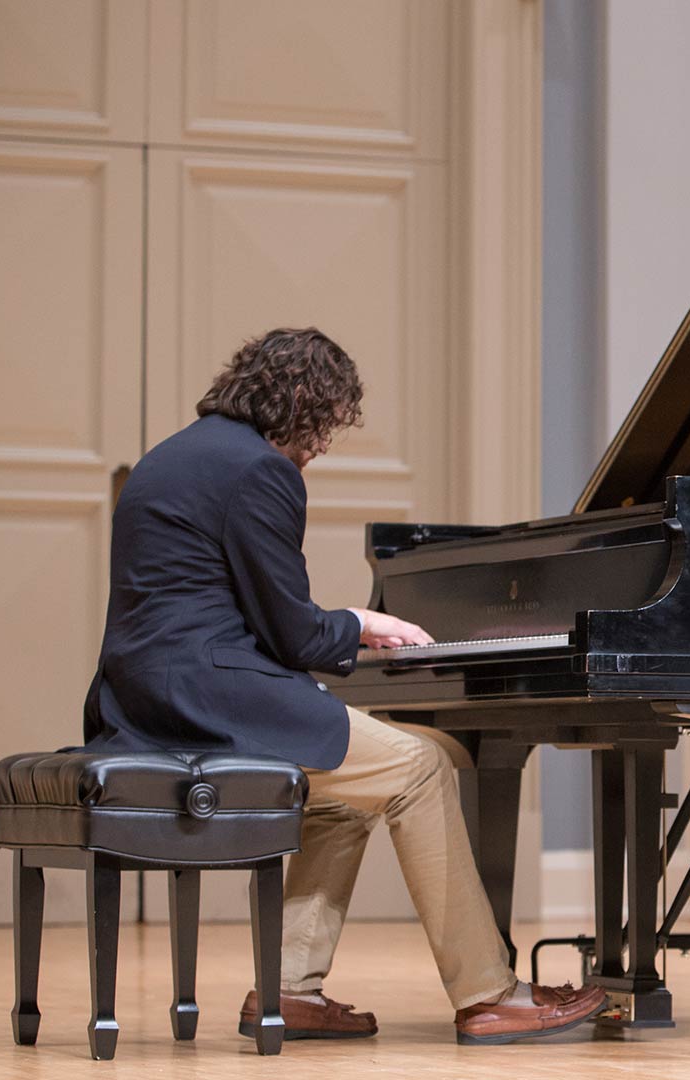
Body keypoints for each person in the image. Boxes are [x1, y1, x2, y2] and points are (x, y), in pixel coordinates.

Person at [82, 327, 605, 1045]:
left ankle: (290, 988)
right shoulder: (259, 470)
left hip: (144, 702)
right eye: (326, 424)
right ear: (299, 401)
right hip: (209, 701)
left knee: (350, 787)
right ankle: (491, 993)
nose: (322, 445)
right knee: (419, 767)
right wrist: (360, 623)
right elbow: (291, 634)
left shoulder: (170, 457)